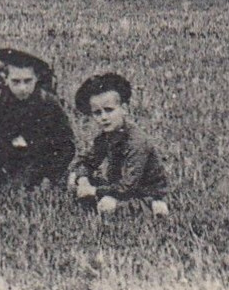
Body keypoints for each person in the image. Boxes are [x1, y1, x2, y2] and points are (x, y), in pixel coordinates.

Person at [0, 47, 76, 189]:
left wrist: (33, 143)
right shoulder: (0, 100)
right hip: (7, 155)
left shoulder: (48, 102)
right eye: (16, 82)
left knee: (61, 147)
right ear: (6, 80)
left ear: (37, 79)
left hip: (38, 157)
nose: (22, 88)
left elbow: (66, 140)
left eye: (27, 81)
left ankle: (43, 180)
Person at [69, 72, 169, 217]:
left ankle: (151, 207)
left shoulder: (137, 142)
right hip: (118, 185)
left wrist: (94, 191)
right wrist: (83, 179)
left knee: (107, 206)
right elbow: (87, 161)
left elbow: (127, 185)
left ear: (124, 108)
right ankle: (113, 202)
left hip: (143, 190)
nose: (104, 117)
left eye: (109, 110)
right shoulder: (105, 137)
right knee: (75, 179)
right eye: (97, 113)